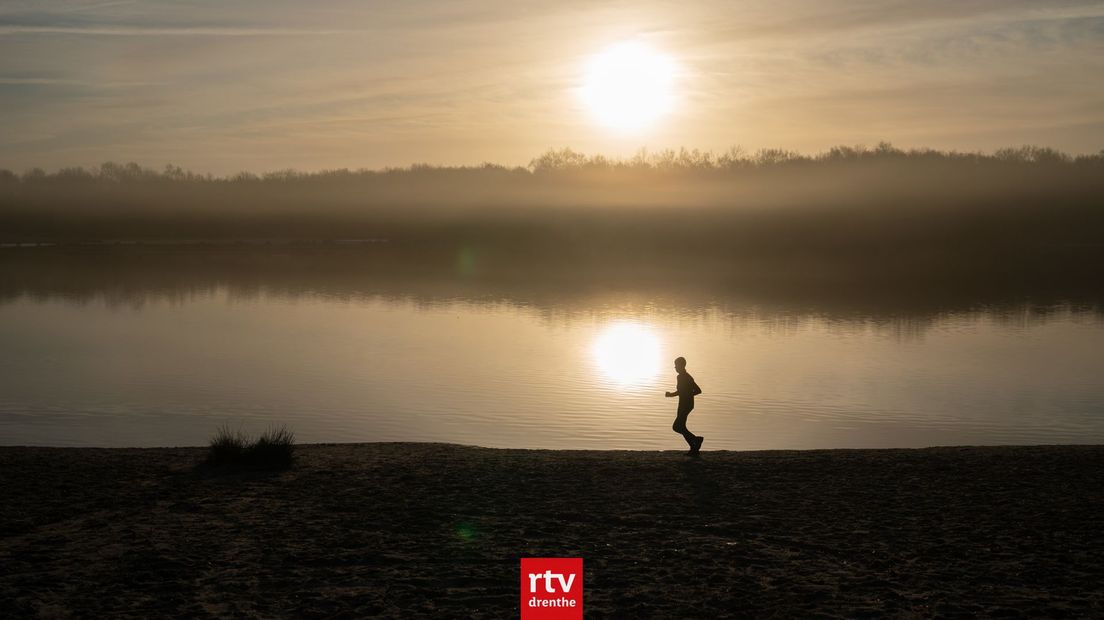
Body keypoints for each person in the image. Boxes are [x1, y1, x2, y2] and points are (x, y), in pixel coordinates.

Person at [665, 356, 703, 454]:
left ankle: (696, 440)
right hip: (685, 404)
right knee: (681, 426)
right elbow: (686, 391)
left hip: (685, 405)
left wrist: (671, 395)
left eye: (676, 366)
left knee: (677, 427)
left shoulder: (684, 377)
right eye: (675, 366)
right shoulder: (685, 376)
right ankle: (694, 448)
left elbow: (696, 391)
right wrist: (685, 394)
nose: (675, 368)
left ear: (681, 366)